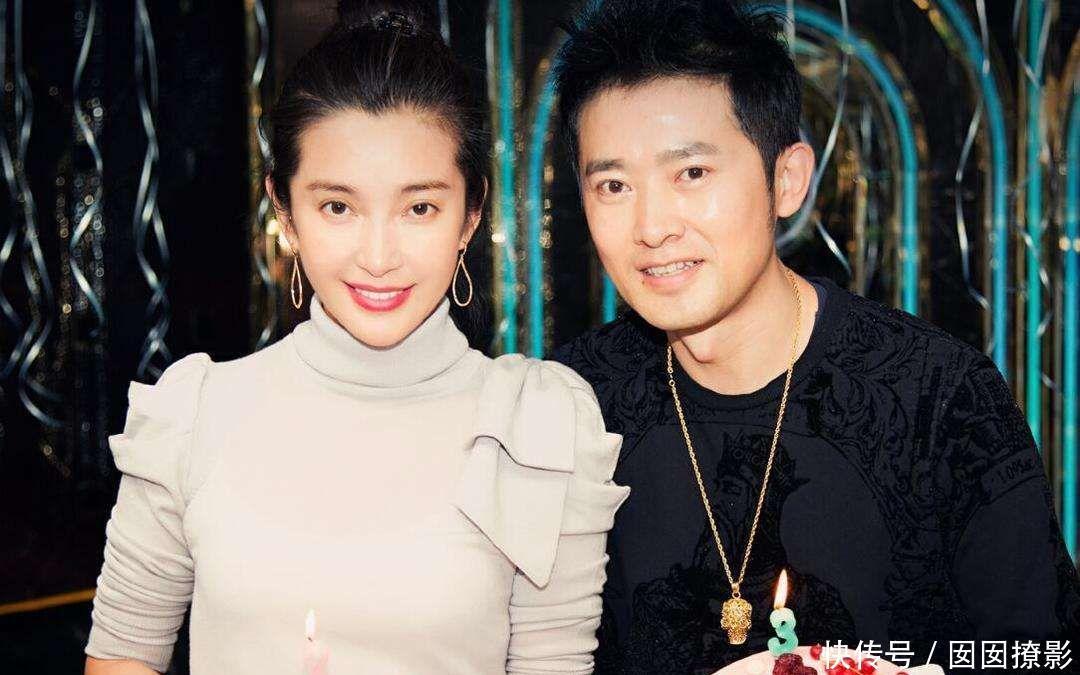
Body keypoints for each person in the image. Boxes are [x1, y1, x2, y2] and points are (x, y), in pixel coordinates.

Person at [84, 2, 627, 673]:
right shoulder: (193, 413)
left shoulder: (537, 423)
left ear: (470, 215)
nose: (377, 256)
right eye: (337, 206)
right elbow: (122, 656)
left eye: (419, 207)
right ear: (286, 213)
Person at [550, 1, 1080, 673]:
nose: (652, 227)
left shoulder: (938, 396)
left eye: (692, 173)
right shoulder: (570, 402)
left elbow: (1044, 653)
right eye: (614, 185)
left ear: (787, 180)